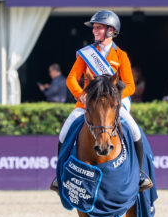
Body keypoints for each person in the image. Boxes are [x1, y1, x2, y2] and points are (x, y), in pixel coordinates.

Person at [51, 10, 152, 192]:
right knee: (64, 132)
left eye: (99, 27)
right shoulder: (86, 54)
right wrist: (81, 94)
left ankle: (139, 174)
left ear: (111, 31)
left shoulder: (121, 56)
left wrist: (114, 96)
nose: (94, 31)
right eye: (94, 28)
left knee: (135, 131)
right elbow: (71, 78)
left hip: (113, 103)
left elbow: (130, 85)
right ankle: (60, 175)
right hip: (88, 103)